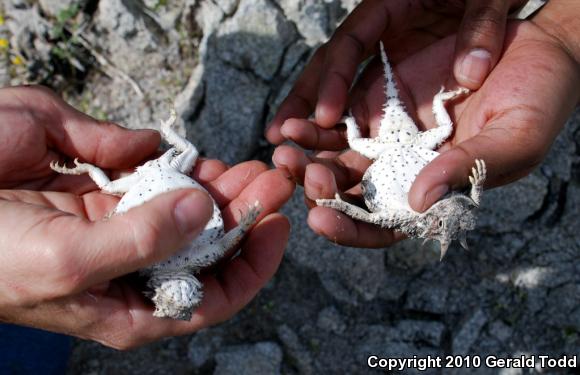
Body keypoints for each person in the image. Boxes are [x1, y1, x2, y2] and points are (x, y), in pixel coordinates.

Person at [0, 85, 295, 349]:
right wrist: (244, 223)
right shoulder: (184, 262)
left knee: (106, 185)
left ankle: (87, 166)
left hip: (146, 187)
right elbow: (223, 244)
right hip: (168, 182)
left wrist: (244, 223)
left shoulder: (142, 267)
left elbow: (112, 238)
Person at [267, 0, 580, 247]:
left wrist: (336, 201)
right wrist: (559, 37)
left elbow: (366, 215)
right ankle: (434, 99)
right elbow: (465, 199)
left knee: (357, 139)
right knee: (434, 126)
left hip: (388, 150)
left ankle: (354, 116)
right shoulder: (440, 201)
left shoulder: (396, 217)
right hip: (415, 144)